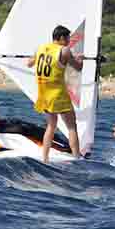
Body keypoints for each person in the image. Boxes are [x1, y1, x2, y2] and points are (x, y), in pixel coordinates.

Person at [27, 25, 84, 162]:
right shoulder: (64, 50)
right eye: (68, 38)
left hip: (44, 95)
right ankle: (77, 158)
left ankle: (45, 158)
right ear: (62, 38)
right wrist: (80, 59)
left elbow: (29, 63)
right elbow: (78, 67)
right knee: (72, 127)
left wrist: (35, 56)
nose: (69, 41)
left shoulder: (40, 48)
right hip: (58, 95)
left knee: (51, 126)